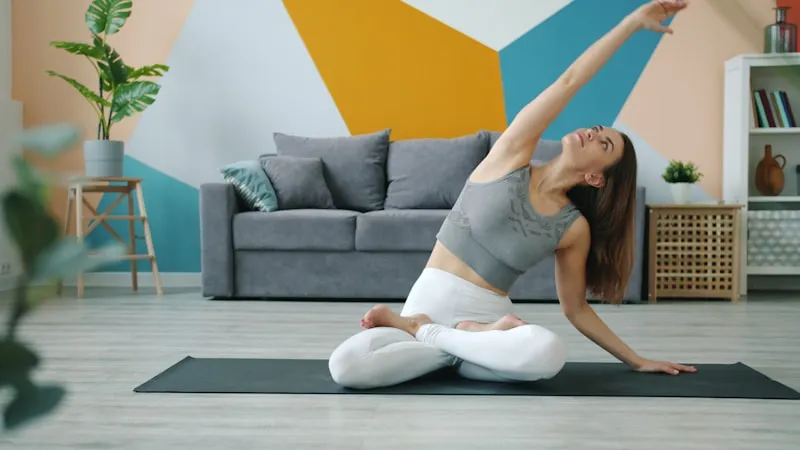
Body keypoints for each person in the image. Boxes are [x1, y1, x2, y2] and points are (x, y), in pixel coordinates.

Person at [328, 0, 697, 390]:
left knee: (547, 353)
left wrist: (636, 360)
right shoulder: (512, 154)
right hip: (431, 305)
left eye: (603, 145)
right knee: (346, 365)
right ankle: (457, 339)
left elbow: (576, 309)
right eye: (597, 128)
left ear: (596, 178)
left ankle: (437, 336)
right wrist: (631, 23)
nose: (592, 133)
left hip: (487, 316)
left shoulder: (573, 228)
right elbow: (569, 81)